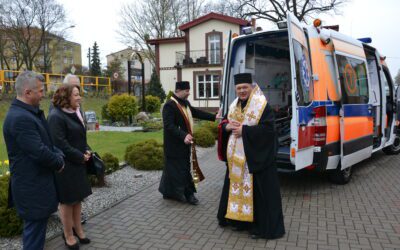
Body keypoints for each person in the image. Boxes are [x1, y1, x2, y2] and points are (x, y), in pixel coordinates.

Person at [217, 73, 285, 239]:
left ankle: (260, 228)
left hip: (256, 160)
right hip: (238, 161)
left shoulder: (262, 106)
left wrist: (245, 131)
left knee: (259, 195)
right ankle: (240, 221)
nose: (242, 91)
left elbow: (269, 131)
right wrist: (226, 128)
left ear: (252, 87)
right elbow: (225, 121)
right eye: (239, 88)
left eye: (245, 87)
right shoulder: (234, 105)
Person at [3, 71, 65, 250]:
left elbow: (47, 143)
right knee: (34, 238)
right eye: (40, 90)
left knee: (37, 235)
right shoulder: (20, 118)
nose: (43, 94)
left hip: (37, 186)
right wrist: (59, 162)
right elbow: (38, 151)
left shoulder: (30, 113)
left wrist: (58, 154)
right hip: (31, 188)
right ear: (27, 92)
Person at [48, 84, 92, 249]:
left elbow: (80, 137)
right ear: (66, 98)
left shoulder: (76, 112)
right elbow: (60, 144)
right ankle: (68, 235)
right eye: (75, 95)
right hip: (65, 166)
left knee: (78, 198)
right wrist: (80, 156)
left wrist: (87, 150)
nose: (79, 97)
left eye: (79, 94)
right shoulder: (56, 117)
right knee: (67, 202)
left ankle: (78, 230)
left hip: (79, 163)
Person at [159, 81, 217, 205]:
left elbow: (196, 112)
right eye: (187, 91)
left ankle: (167, 192)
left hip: (184, 143)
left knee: (172, 170)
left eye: (189, 90)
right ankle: (189, 194)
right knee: (183, 169)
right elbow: (169, 125)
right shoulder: (169, 105)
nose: (189, 93)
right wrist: (183, 135)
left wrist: (214, 117)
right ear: (178, 90)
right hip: (174, 145)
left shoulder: (185, 103)